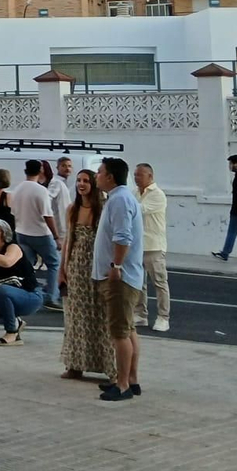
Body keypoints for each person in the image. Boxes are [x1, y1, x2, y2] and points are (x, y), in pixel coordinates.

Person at [94, 157, 145, 401]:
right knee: (128, 328)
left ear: (110, 176)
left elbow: (123, 237)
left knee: (120, 333)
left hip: (120, 278)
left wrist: (116, 265)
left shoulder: (121, 200)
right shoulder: (116, 198)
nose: (97, 176)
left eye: (99, 172)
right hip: (122, 275)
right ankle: (131, 379)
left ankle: (123, 384)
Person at [59, 169, 117, 382]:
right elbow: (68, 240)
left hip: (97, 266)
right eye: (79, 181)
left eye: (86, 181)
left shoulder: (103, 208)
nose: (81, 184)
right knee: (76, 318)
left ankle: (111, 369)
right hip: (75, 267)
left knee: (102, 316)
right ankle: (75, 365)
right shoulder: (72, 209)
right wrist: (61, 269)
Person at [12, 160, 62, 312]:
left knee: (27, 265)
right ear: (40, 171)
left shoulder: (17, 189)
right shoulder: (41, 190)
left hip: (22, 231)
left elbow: (14, 212)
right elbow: (47, 215)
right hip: (40, 233)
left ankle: (27, 293)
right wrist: (56, 236)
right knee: (54, 263)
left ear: (25, 170)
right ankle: (51, 297)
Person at [134, 163, 170, 332]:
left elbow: (139, 210)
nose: (136, 178)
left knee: (160, 284)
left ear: (150, 176)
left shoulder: (158, 195)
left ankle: (163, 317)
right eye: (135, 175)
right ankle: (141, 314)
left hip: (154, 246)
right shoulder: (134, 193)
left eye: (140, 175)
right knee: (138, 283)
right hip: (137, 246)